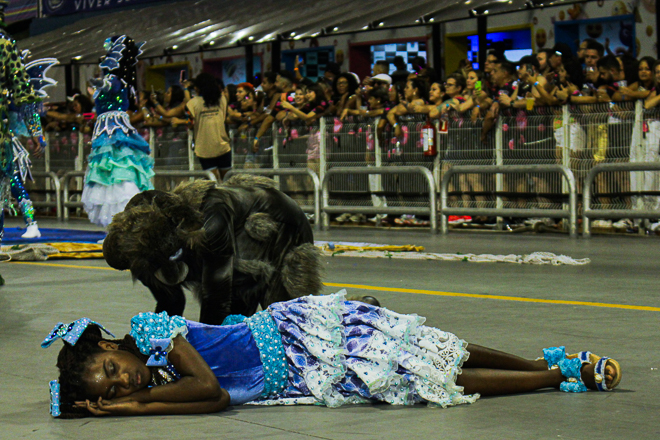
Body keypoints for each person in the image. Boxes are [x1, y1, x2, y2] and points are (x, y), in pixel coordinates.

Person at [43, 290, 622, 418]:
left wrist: (136, 411)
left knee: (421, 345)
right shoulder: (158, 381)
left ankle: (553, 366)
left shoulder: (152, 330)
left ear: (113, 344)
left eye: (113, 371)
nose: (124, 384)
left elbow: (212, 393)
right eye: (111, 391)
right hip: (307, 374)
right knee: (423, 377)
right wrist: (138, 402)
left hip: (301, 336)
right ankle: (553, 375)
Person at [80, 35, 154, 228]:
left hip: (112, 129)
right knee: (113, 171)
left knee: (116, 170)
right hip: (109, 127)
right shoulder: (122, 80)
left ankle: (121, 223)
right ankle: (117, 226)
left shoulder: (114, 79)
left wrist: (96, 84)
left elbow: (108, 85)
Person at [185, 72, 231, 181]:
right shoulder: (222, 99)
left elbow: (190, 123)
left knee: (213, 182)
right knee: (228, 181)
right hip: (222, 146)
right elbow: (224, 117)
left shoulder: (192, 103)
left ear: (198, 87)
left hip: (204, 148)